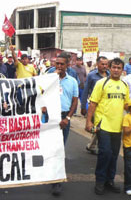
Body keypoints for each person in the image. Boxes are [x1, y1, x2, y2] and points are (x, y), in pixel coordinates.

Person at [85, 58, 129, 195]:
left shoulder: (124, 86)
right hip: (102, 125)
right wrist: (89, 122)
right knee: (104, 153)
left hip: (117, 127)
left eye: (119, 68)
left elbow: (126, 105)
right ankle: (100, 181)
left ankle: (110, 180)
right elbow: (93, 103)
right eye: (114, 67)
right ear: (110, 68)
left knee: (114, 155)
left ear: (122, 70)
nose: (116, 70)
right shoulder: (101, 83)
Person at [49, 53, 78, 195]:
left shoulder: (72, 81)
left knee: (60, 149)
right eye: (57, 63)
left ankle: (57, 181)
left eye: (62, 64)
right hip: (50, 118)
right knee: (51, 148)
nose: (59, 66)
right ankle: (50, 174)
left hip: (63, 117)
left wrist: (67, 118)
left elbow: (74, 101)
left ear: (67, 65)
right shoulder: (49, 78)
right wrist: (52, 79)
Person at [81, 56, 109, 154]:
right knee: (98, 126)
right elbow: (85, 91)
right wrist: (83, 106)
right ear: (97, 64)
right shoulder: (92, 75)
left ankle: (92, 145)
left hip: (106, 106)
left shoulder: (110, 75)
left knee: (101, 126)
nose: (105, 66)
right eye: (102, 64)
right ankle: (95, 146)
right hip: (94, 105)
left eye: (106, 64)